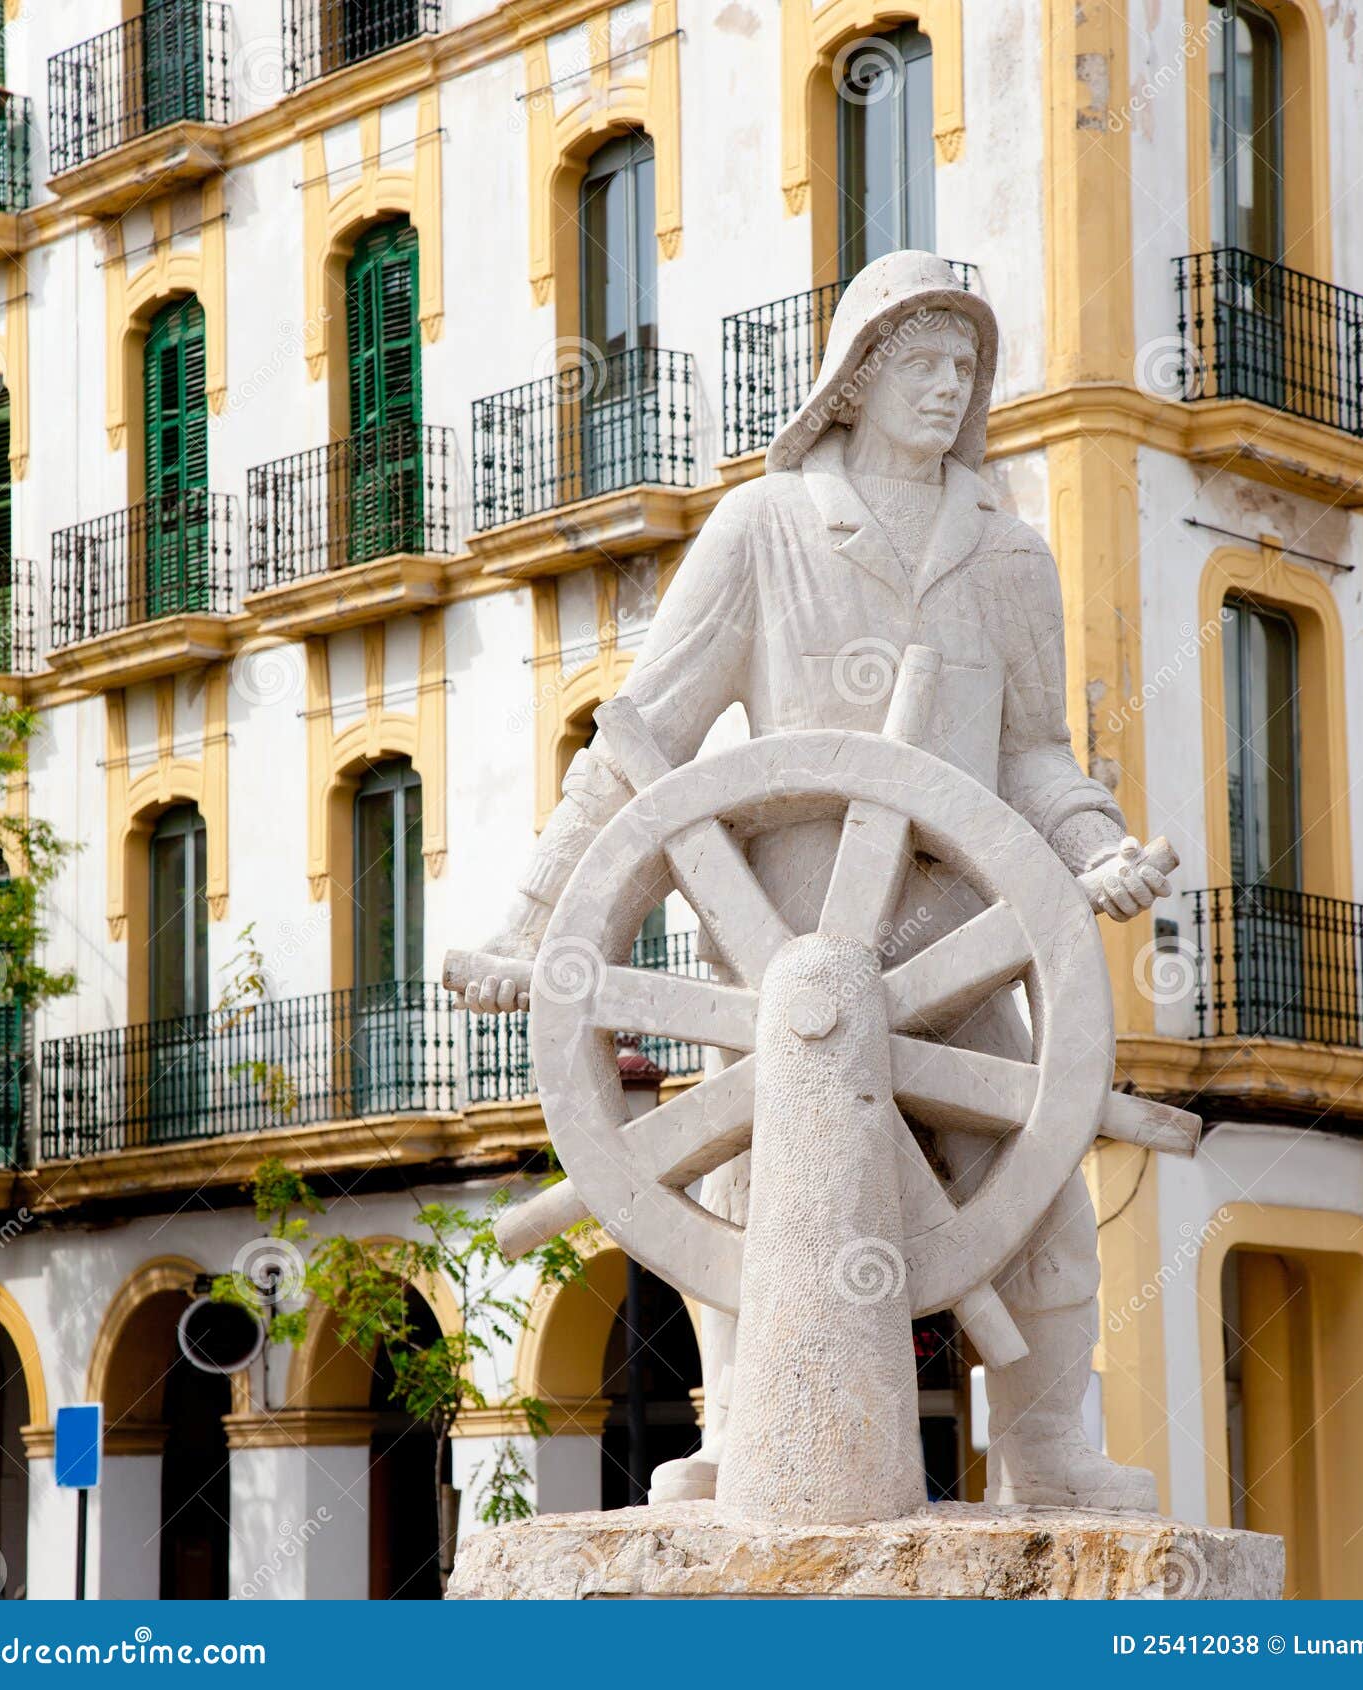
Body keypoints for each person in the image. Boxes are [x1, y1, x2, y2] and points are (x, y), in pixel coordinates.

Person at [471, 252, 1170, 1511]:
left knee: (1037, 1187)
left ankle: (1048, 1444)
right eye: (921, 363)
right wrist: (531, 924)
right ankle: (744, 1432)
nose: (949, 389)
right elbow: (644, 738)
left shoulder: (1011, 558)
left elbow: (1035, 752)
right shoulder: (765, 526)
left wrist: (1096, 849)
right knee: (742, 1200)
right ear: (854, 379)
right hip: (783, 933)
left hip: (957, 933)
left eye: (967, 367)